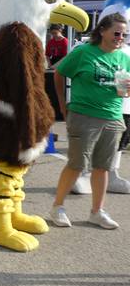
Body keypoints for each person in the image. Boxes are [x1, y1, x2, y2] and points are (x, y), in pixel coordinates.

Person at [50, 13, 130, 230]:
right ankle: (57, 206)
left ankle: (97, 211)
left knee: (102, 167)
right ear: (102, 31)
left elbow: (123, 92)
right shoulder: (83, 52)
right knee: (76, 165)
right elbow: (59, 73)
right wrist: (62, 105)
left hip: (113, 117)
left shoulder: (124, 58)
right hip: (84, 116)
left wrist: (126, 89)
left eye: (123, 34)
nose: (120, 37)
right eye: (116, 33)